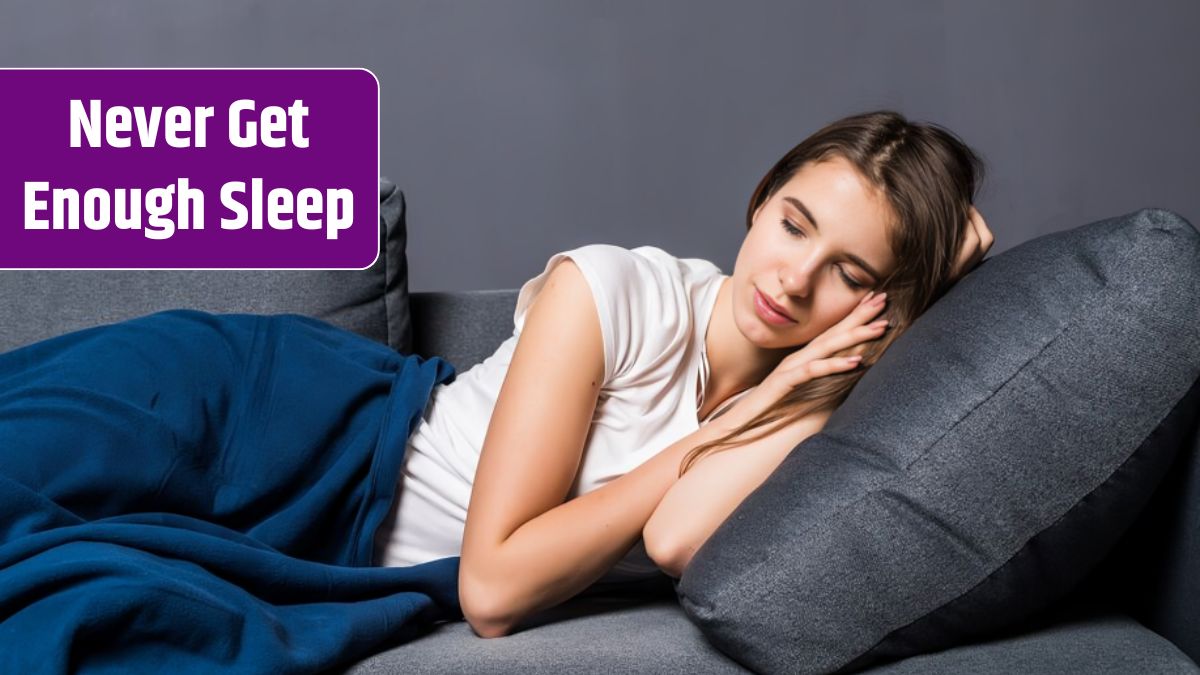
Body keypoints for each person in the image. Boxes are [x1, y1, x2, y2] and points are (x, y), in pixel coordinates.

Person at [369, 109, 994, 638]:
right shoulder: (607, 290)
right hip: (336, 469)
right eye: (793, 226)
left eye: (851, 275)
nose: (795, 279)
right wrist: (748, 413)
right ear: (761, 199)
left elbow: (674, 537)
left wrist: (846, 367)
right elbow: (491, 592)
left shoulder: (804, 407)